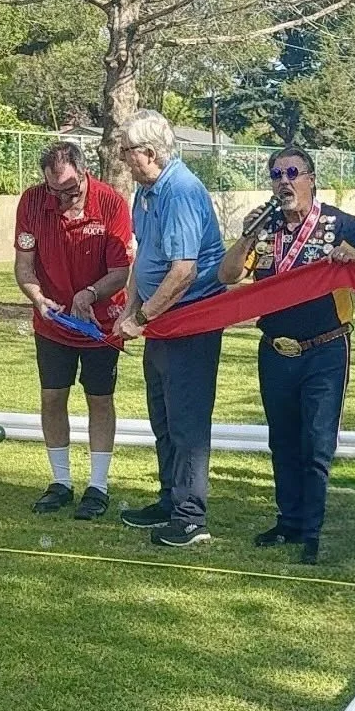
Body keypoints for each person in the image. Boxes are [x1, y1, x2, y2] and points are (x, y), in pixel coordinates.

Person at [218, 147, 355, 564]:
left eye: (293, 173)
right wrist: (245, 235)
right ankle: (288, 521)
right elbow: (227, 276)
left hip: (325, 349)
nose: (284, 181)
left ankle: (312, 532)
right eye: (276, 174)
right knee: (282, 440)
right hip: (276, 350)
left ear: (311, 178)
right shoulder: (264, 230)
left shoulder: (338, 223)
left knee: (316, 444)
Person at [113, 109, 226, 548]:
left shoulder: (179, 192)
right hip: (160, 321)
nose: (122, 159)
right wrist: (131, 308)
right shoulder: (146, 192)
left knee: (187, 423)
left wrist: (140, 319)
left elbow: (183, 272)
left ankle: (191, 517)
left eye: (127, 152)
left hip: (190, 321)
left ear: (150, 153)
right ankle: (169, 500)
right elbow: (146, 259)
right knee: (162, 416)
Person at [14, 141, 132, 519]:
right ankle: (61, 482)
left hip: (100, 323)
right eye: (54, 190)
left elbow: (121, 271)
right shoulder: (32, 203)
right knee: (52, 397)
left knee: (100, 399)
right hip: (53, 322)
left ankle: (97, 486)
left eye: (69, 190)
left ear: (84, 174)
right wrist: (37, 298)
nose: (61, 199)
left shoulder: (111, 202)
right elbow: (24, 265)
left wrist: (90, 294)